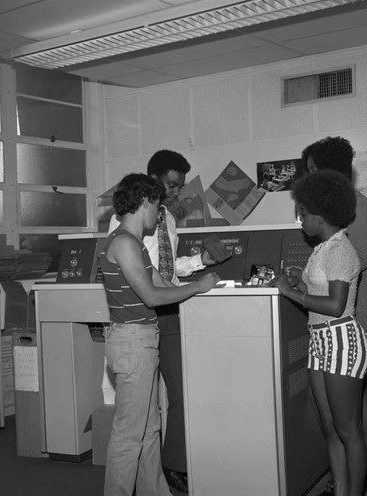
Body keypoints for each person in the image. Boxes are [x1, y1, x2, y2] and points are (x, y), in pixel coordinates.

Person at [100, 173, 220, 496]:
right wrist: (197, 286)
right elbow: (151, 295)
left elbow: (164, 284)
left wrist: (203, 290)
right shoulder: (124, 243)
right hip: (133, 342)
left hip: (143, 341)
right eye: (156, 204)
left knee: (150, 429)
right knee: (128, 436)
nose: (159, 211)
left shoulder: (135, 243)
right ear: (144, 203)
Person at [301, 137, 367, 493]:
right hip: (333, 316)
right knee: (351, 401)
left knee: (353, 399)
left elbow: (357, 258)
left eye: (312, 170)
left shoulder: (356, 205)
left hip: (356, 311)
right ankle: (365, 470)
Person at [275, 169, 367, 496]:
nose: (299, 219)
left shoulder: (341, 251)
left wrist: (291, 293)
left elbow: (334, 305)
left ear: (319, 214)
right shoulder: (323, 248)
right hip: (320, 340)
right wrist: (299, 282)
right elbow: (318, 296)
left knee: (348, 430)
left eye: (302, 213)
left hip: (342, 340)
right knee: (329, 428)